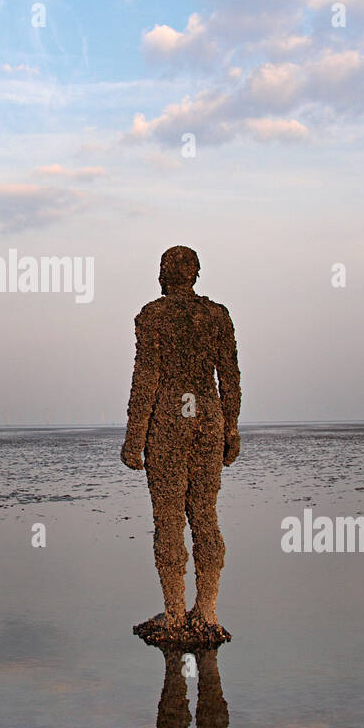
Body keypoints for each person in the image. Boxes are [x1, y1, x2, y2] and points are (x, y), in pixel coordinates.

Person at [122, 246, 240, 643]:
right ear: (196, 274)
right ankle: (206, 613)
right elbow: (230, 377)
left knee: (169, 517)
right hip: (207, 417)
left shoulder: (153, 316)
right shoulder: (217, 316)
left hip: (171, 417)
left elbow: (147, 377)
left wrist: (134, 437)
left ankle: (176, 613)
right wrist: (231, 428)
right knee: (204, 512)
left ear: (163, 274)